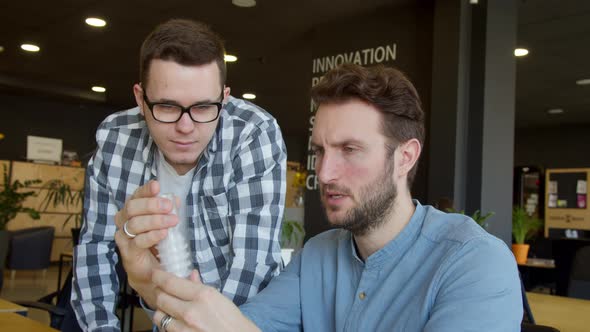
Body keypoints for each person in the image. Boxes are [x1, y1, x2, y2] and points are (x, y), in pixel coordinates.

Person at [148, 63, 523, 332]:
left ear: (405, 157)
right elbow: (247, 324)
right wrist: (165, 292)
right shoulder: (318, 254)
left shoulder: (474, 262)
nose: (325, 173)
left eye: (350, 150)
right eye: (320, 151)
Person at [71, 19, 287, 331]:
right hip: (165, 315)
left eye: (202, 108)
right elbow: (95, 248)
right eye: (167, 107)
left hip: (241, 321)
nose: (185, 127)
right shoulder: (116, 138)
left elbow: (254, 264)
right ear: (140, 99)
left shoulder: (253, 133)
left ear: (224, 99)